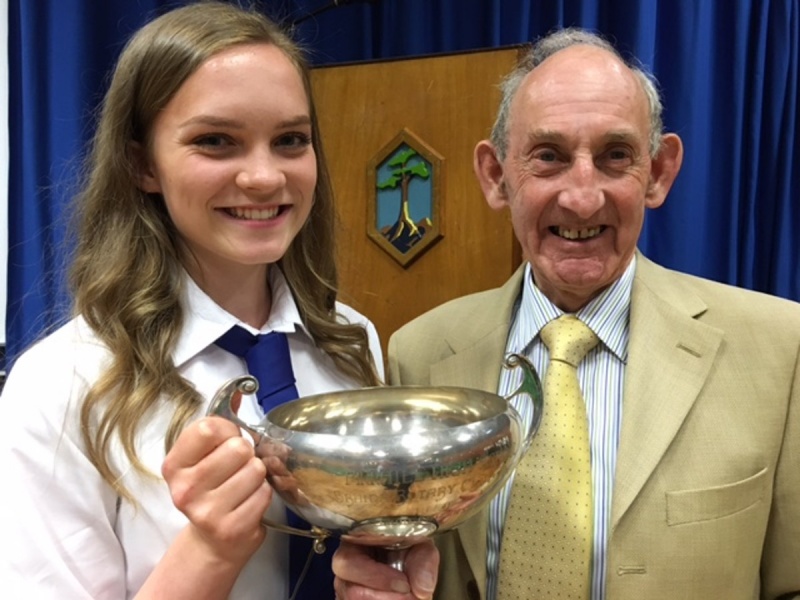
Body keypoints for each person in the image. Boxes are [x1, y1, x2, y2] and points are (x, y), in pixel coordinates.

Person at [331, 28, 800, 600]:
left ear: (659, 172)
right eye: (548, 157)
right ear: (496, 175)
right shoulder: (420, 353)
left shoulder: (781, 348)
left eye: (615, 157)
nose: (582, 197)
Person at [0, 2, 383, 599]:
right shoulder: (61, 387)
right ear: (141, 163)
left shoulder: (352, 343)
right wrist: (209, 552)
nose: (264, 177)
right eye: (215, 141)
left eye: (290, 139)